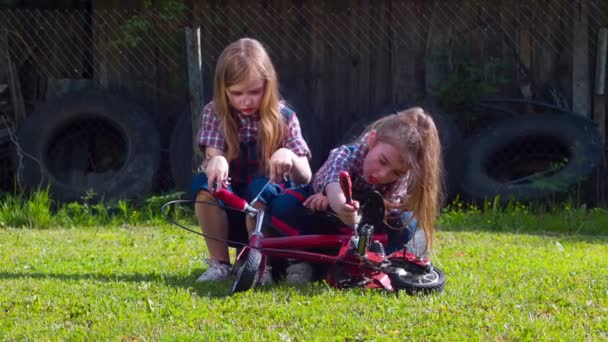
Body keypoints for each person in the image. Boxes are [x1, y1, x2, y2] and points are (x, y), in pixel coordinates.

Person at [268, 107, 443, 285]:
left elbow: (386, 210)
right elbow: (335, 184)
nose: (383, 175)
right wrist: (341, 206)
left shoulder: (399, 177)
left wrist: (362, 214)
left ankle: (381, 264)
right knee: (284, 204)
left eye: (396, 172)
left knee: (407, 223)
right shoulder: (344, 155)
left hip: (362, 229)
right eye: (382, 161)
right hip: (323, 220)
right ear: (372, 141)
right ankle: (304, 259)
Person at [192, 38, 312, 284]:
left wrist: (288, 155)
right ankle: (220, 264)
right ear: (223, 89)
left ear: (268, 87)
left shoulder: (284, 117)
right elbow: (212, 154)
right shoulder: (215, 113)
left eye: (254, 92)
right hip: (233, 203)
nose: (246, 101)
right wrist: (216, 160)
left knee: (260, 190)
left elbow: (306, 176)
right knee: (206, 189)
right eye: (236, 93)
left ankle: (262, 265)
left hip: (269, 208)